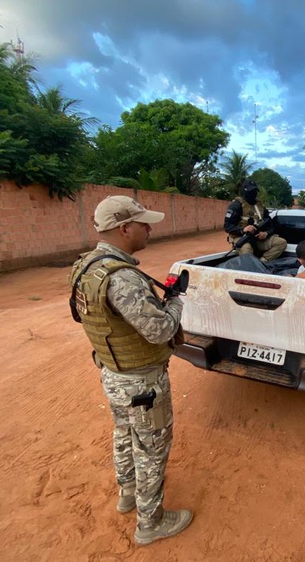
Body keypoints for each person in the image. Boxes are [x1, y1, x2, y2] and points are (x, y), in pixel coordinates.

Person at [68, 195, 193, 546]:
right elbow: (160, 331)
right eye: (143, 224)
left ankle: (127, 492)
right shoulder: (123, 278)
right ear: (124, 229)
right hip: (142, 382)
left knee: (124, 432)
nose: (149, 229)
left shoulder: (87, 266)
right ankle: (150, 523)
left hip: (112, 371)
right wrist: (175, 303)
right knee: (151, 447)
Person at [224, 179, 287, 262]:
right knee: (247, 249)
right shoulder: (236, 205)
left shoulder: (260, 206)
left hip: (258, 238)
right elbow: (227, 226)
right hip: (241, 238)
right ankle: (251, 268)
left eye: (254, 191)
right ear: (244, 191)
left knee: (281, 242)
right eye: (250, 191)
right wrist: (243, 230)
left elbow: (271, 225)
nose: (252, 193)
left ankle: (261, 263)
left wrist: (266, 233)